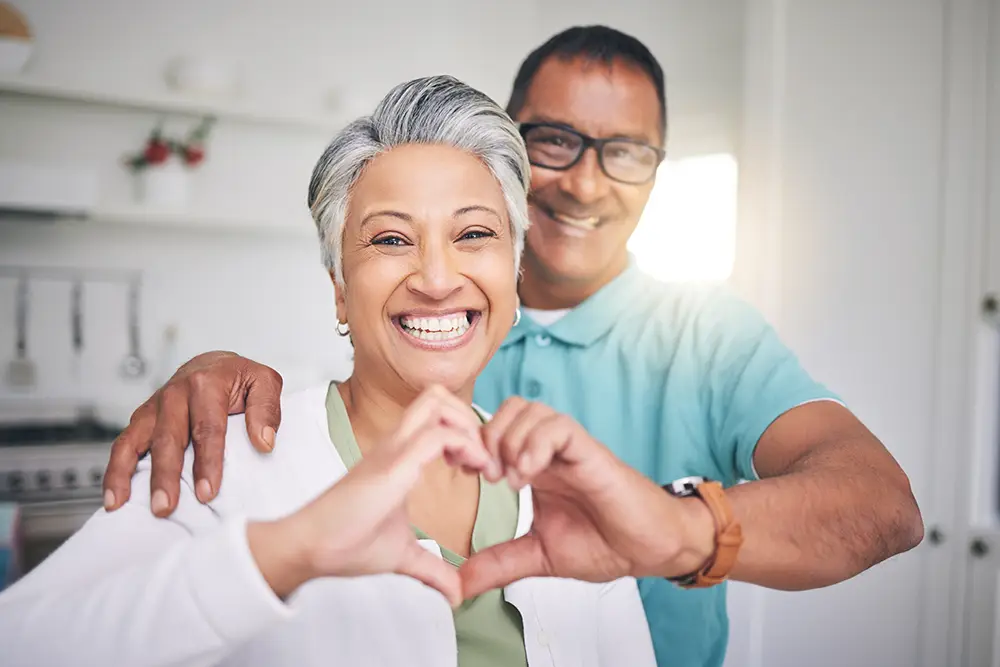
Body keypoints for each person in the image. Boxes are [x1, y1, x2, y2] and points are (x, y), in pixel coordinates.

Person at [101, 26, 925, 667]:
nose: (587, 181)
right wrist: (213, 376)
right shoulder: (392, 352)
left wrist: (668, 529)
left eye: (627, 152)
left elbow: (883, 508)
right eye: (556, 141)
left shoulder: (709, 335)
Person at [0, 75, 659, 667]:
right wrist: (285, 551)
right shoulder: (223, 463)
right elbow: (22, 642)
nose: (435, 277)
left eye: (473, 234)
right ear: (340, 288)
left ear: (514, 278)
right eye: (391, 239)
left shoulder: (565, 492)